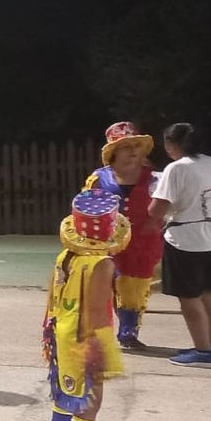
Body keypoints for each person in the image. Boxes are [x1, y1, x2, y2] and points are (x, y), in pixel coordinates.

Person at [44, 190, 130, 421]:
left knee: (66, 392)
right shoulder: (101, 265)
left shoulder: (67, 256)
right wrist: (104, 352)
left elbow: (53, 297)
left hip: (61, 330)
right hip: (85, 336)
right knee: (91, 400)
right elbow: (97, 313)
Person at [149, 122, 211, 367]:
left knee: (189, 297)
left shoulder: (176, 169)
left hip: (187, 240)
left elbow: (157, 208)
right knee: (208, 293)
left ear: (173, 144)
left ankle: (202, 351)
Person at [84, 122, 166, 349]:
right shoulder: (99, 178)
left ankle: (129, 331)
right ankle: (107, 326)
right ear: (113, 153)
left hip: (143, 243)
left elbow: (168, 206)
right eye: (126, 147)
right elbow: (87, 207)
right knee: (106, 284)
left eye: (136, 146)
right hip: (107, 241)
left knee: (135, 287)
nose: (133, 151)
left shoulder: (156, 178)